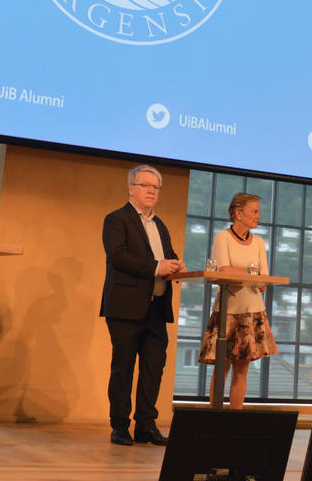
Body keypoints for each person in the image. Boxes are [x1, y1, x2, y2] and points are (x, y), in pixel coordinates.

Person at [101, 164, 185, 446]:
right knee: (123, 368)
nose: (152, 191)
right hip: (125, 306)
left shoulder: (159, 224)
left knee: (153, 368)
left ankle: (146, 426)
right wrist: (157, 267)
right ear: (131, 189)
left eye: (156, 187)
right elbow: (118, 256)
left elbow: (166, 256)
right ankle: (120, 426)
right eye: (146, 186)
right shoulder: (116, 219)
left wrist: (175, 264)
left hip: (157, 308)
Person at [198, 192, 279, 408]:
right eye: (254, 211)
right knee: (223, 365)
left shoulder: (260, 242)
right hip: (228, 310)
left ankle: (235, 417)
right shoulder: (222, 237)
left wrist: (247, 275)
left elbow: (263, 278)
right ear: (238, 214)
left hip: (253, 309)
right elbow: (223, 269)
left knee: (242, 368)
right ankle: (215, 415)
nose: (258, 216)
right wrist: (250, 275)